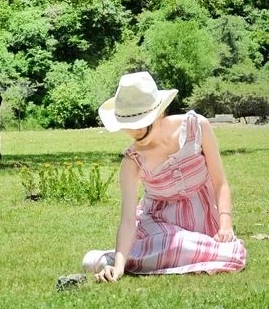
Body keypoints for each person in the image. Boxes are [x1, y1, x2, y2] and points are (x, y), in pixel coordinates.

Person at [86, 71, 247, 282]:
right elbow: (127, 220)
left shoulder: (197, 127)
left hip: (205, 219)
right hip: (158, 225)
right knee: (173, 242)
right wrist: (119, 269)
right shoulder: (132, 161)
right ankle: (118, 260)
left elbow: (220, 183)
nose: (135, 131)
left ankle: (114, 258)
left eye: (140, 121)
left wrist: (225, 224)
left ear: (159, 112)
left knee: (221, 250)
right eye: (129, 124)